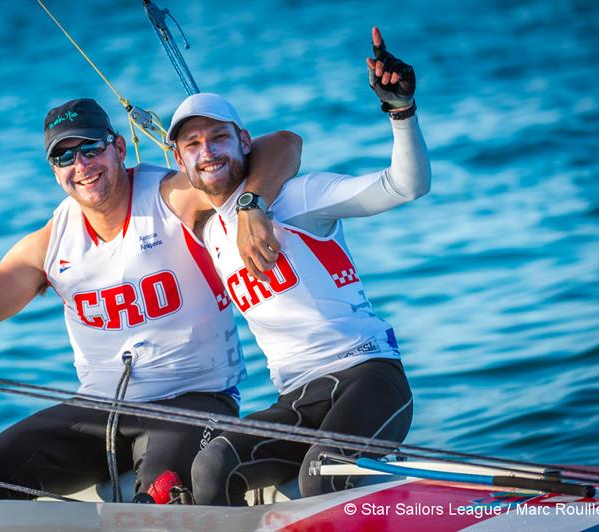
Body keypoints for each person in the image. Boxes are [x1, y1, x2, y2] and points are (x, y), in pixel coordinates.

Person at [0, 97, 300, 500]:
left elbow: (284, 144)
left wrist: (250, 204)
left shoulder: (173, 196)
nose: (81, 165)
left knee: (162, 492)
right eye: (64, 157)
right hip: (99, 413)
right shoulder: (51, 242)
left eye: (91, 148)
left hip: (193, 401)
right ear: (54, 171)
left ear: (118, 148)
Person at [168, 27, 431, 504]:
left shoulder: (299, 198)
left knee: (322, 477)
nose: (207, 152)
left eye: (218, 138)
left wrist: (401, 113)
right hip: (296, 398)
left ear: (244, 141)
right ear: (179, 158)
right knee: (210, 463)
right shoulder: (205, 228)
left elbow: (404, 185)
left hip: (368, 375)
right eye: (193, 144)